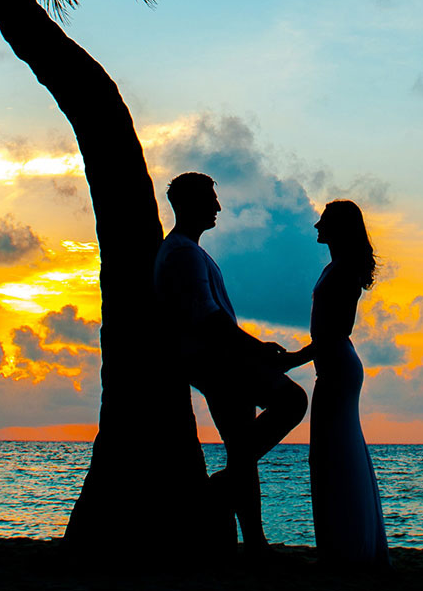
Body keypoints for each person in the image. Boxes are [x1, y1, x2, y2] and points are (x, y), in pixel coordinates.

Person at [155, 172, 307, 553]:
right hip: (219, 364)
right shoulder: (184, 253)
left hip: (217, 362)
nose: (218, 206)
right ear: (191, 204)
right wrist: (256, 350)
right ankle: (212, 495)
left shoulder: (186, 251)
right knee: (292, 402)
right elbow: (208, 317)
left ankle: (253, 541)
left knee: (242, 449)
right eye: (211, 198)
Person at [283, 200, 389, 568]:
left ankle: (344, 549)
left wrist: (293, 360)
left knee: (333, 454)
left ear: (339, 227)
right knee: (334, 453)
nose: (316, 225)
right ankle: (344, 545)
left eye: (323, 220)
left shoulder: (342, 270)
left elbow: (335, 331)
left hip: (338, 368)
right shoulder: (337, 267)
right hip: (334, 366)